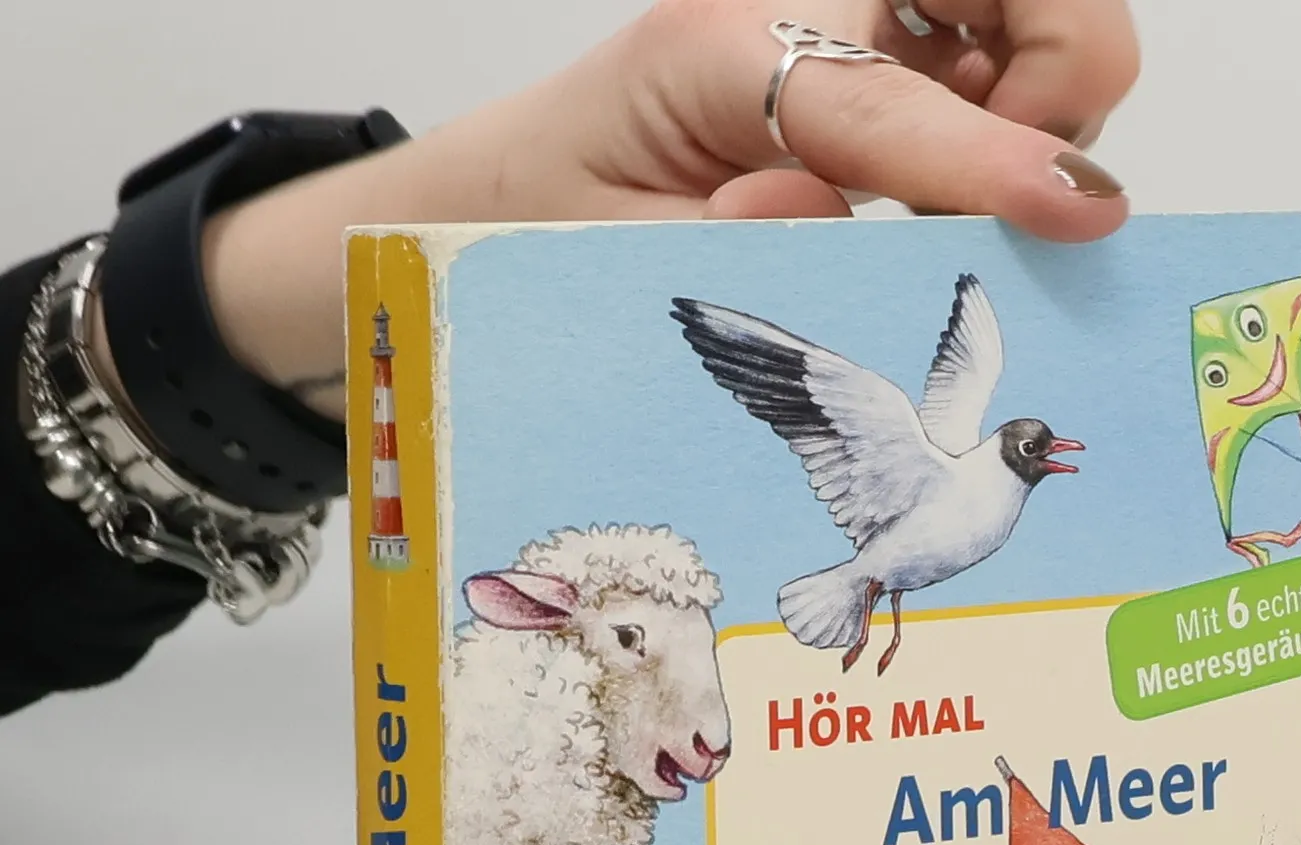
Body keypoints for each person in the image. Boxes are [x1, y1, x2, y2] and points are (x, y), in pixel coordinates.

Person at [2, 0, 1137, 716]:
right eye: (1033, 446)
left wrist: (467, 210)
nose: (1040, 452)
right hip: (870, 567)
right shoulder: (937, 454)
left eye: (1037, 448)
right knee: (864, 398)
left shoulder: (984, 477)